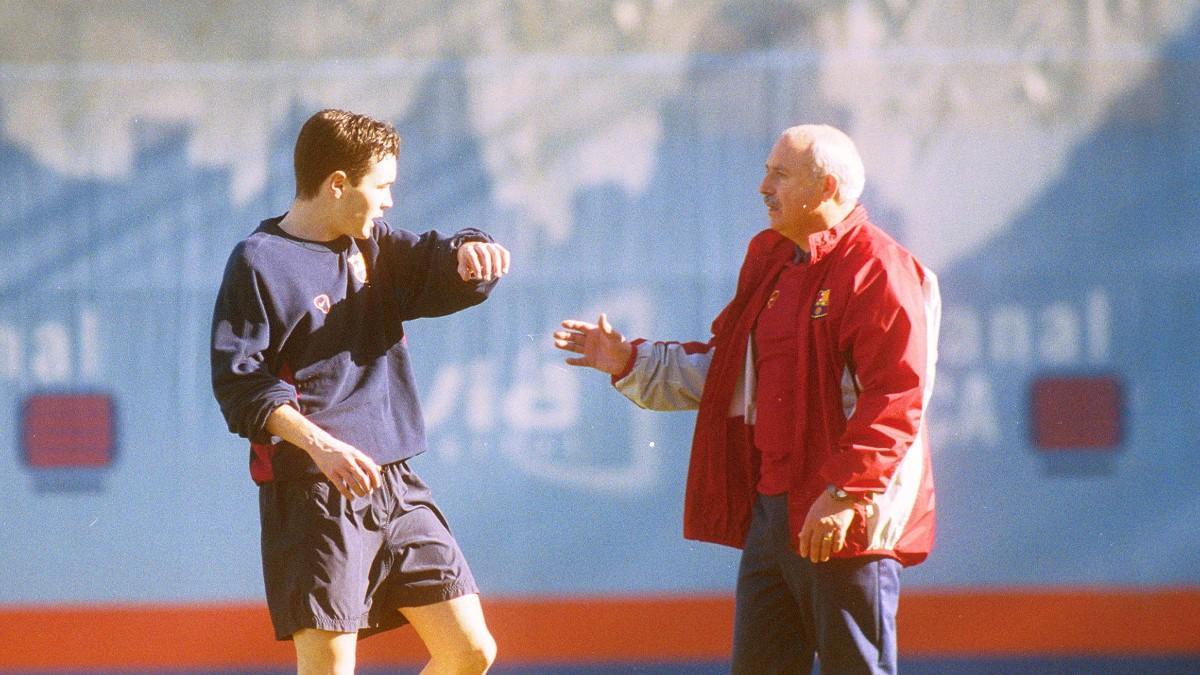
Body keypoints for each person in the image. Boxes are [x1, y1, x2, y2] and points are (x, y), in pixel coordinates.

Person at [554, 124, 939, 674]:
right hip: (774, 512)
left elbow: (896, 396)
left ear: (826, 186)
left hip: (844, 516)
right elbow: (727, 371)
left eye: (779, 174)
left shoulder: (878, 268)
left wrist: (844, 493)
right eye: (766, 171)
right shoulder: (777, 264)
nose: (763, 187)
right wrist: (630, 362)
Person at [211, 109, 509, 675]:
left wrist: (475, 252)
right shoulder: (257, 261)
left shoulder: (372, 246)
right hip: (314, 493)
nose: (390, 201)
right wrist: (321, 447)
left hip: (397, 485)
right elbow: (241, 384)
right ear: (338, 185)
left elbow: (442, 257)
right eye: (383, 187)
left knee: (470, 650)